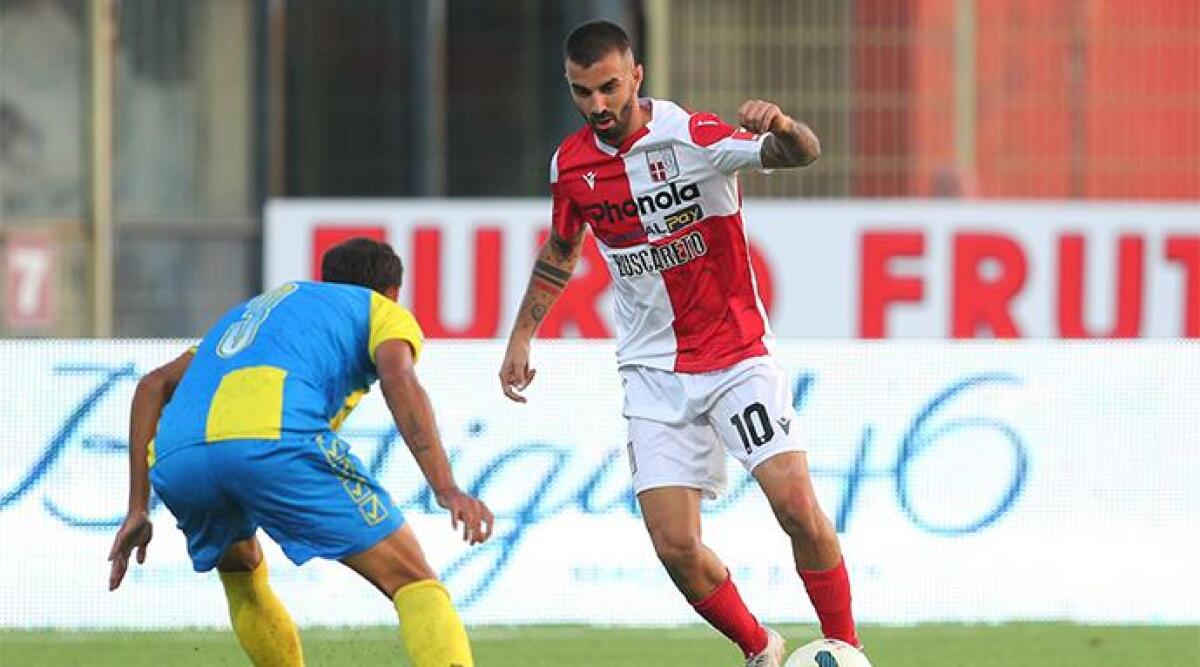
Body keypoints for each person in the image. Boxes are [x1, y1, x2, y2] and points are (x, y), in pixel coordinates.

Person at [498, 20, 859, 667]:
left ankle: (847, 649)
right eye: (583, 93)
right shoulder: (571, 165)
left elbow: (802, 153)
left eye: (609, 87)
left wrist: (780, 125)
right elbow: (562, 248)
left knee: (799, 507)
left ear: (636, 76)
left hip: (736, 355)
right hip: (651, 372)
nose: (598, 105)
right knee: (674, 545)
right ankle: (761, 647)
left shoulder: (693, 137)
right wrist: (524, 332)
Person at [109, 237, 492, 667]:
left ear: (326, 280)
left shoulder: (253, 314)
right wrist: (447, 488)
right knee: (413, 580)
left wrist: (138, 508)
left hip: (180, 456)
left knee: (243, 573)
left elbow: (150, 386)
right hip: (273, 440)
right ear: (392, 293)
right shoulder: (379, 309)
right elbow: (398, 376)